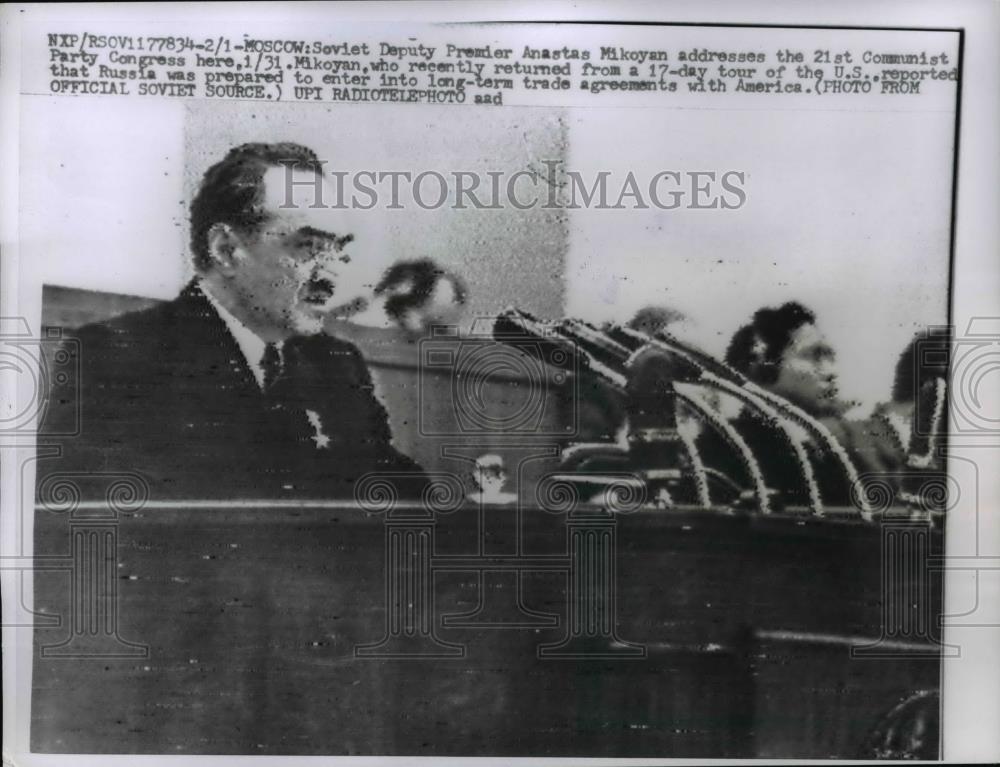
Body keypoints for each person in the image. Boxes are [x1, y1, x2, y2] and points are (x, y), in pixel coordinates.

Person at [40, 142, 424, 500]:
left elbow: (391, 485)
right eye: (309, 247)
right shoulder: (116, 357)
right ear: (225, 249)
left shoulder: (337, 364)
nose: (331, 278)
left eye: (338, 252)